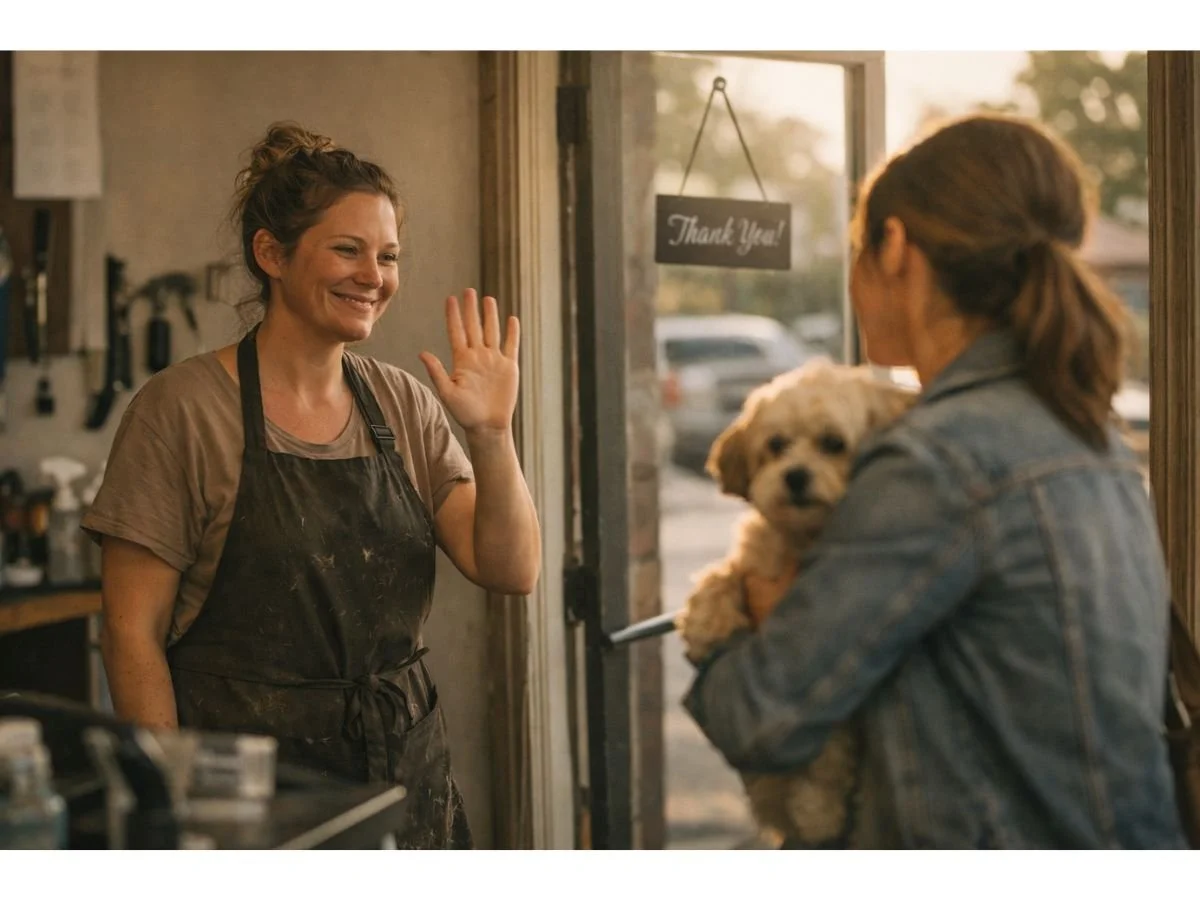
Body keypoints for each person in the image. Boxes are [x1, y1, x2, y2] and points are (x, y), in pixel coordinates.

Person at [683, 114, 1187, 849]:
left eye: (857, 252)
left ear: (893, 249)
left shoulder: (934, 461)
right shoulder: (1089, 436)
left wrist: (751, 610)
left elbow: (761, 717)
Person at [84, 122, 541, 849]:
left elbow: (511, 570)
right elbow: (130, 633)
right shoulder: (182, 411)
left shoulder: (403, 405)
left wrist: (492, 437)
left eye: (388, 256)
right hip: (248, 797)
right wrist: (175, 810)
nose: (374, 276)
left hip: (404, 785)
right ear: (271, 254)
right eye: (347, 249)